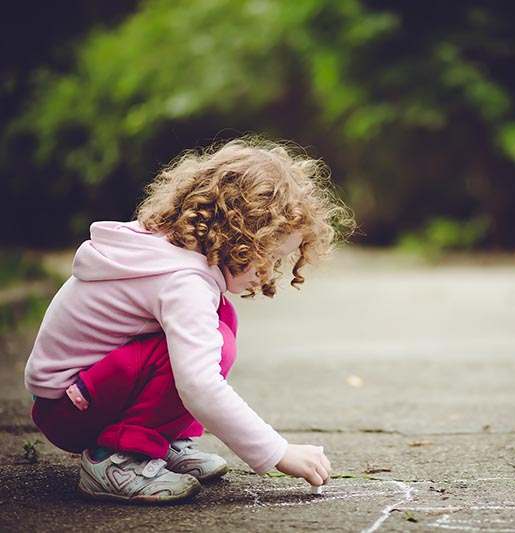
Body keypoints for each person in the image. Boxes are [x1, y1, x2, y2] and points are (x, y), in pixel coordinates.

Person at [23, 136, 356, 503]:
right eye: (272, 257)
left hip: (79, 395)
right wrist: (277, 452)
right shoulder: (184, 281)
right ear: (239, 236)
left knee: (219, 322)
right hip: (70, 409)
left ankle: (159, 440)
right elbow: (199, 385)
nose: (271, 272)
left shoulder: (171, 250)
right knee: (207, 347)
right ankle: (117, 460)